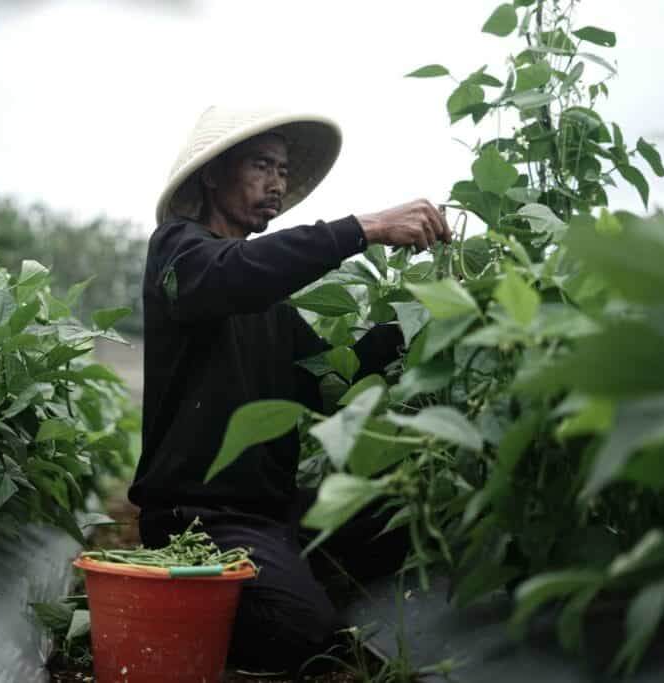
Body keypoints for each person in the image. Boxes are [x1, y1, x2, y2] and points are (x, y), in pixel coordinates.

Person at [127, 106, 451, 674]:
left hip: (272, 514)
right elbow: (233, 274)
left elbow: (332, 382)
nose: (276, 182)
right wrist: (364, 229)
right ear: (212, 175)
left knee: (411, 518)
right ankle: (242, 597)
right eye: (260, 165)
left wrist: (422, 318)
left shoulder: (269, 305)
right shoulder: (179, 253)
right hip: (197, 518)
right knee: (302, 634)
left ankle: (282, 581)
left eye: (281, 169)